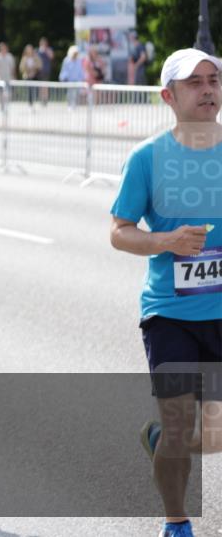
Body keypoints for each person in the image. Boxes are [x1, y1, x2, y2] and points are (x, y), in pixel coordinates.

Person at [110, 48, 221, 537]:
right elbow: (120, 231)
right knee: (180, 429)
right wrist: (165, 242)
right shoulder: (148, 159)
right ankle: (177, 523)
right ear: (169, 96)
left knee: (208, 437)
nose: (208, 90)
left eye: (214, 79)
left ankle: (162, 439)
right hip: (170, 313)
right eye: (195, 82)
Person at [58, 45, 86, 109]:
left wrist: (83, 78)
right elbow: (64, 70)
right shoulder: (66, 60)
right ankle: (70, 105)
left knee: (77, 94)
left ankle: (75, 105)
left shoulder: (79, 60)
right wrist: (63, 77)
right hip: (69, 80)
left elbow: (81, 70)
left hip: (77, 81)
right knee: (69, 93)